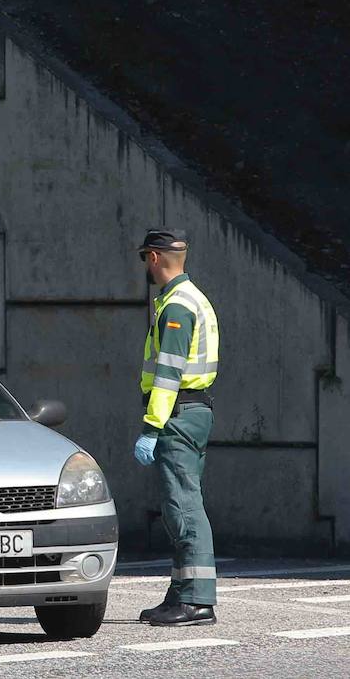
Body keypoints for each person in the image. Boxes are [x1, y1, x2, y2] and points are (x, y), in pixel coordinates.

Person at [133, 228, 220, 627]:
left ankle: (197, 600)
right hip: (193, 411)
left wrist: (153, 426)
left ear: (154, 257)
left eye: (144, 259)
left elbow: (168, 373)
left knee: (183, 506)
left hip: (177, 414)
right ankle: (182, 592)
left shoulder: (177, 306)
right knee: (183, 503)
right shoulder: (191, 297)